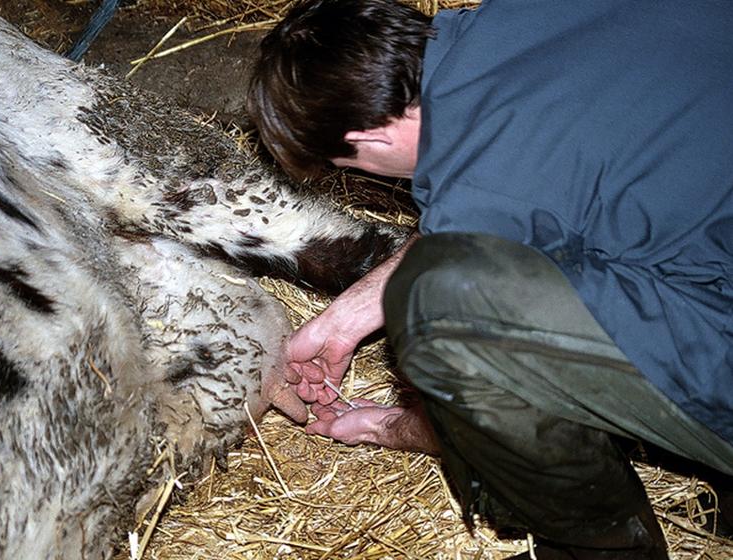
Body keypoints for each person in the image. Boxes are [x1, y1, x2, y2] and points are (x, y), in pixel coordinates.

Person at [247, 0, 733, 558]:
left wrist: (399, 426)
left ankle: (603, 550)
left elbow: (484, 229)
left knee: (442, 309)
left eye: (347, 165)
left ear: (369, 140)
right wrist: (345, 317)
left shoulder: (478, 187)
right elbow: (529, 186)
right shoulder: (528, 20)